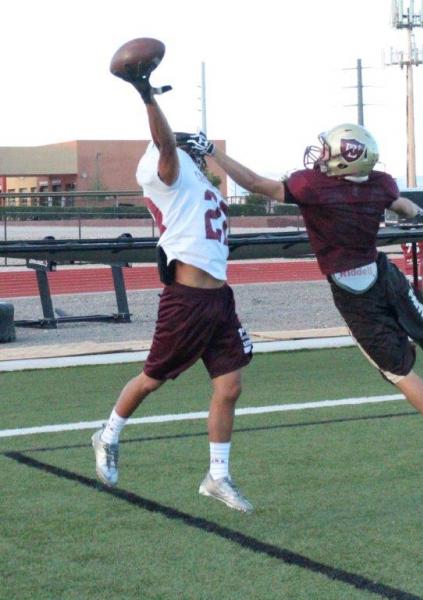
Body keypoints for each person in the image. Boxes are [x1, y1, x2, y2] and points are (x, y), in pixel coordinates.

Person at [190, 123, 423, 479]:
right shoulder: (380, 182)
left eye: (328, 150)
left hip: (354, 291)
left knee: (397, 371)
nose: (321, 155)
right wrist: (418, 215)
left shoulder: (312, 186)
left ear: (343, 160)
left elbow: (256, 184)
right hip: (385, 274)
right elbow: (402, 205)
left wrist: (212, 151)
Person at [92, 64, 253, 513]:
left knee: (231, 386)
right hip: (187, 300)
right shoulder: (168, 170)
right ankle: (107, 436)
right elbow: (165, 145)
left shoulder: (199, 183)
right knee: (152, 379)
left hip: (220, 298)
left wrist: (207, 154)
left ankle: (217, 476)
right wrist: (147, 95)